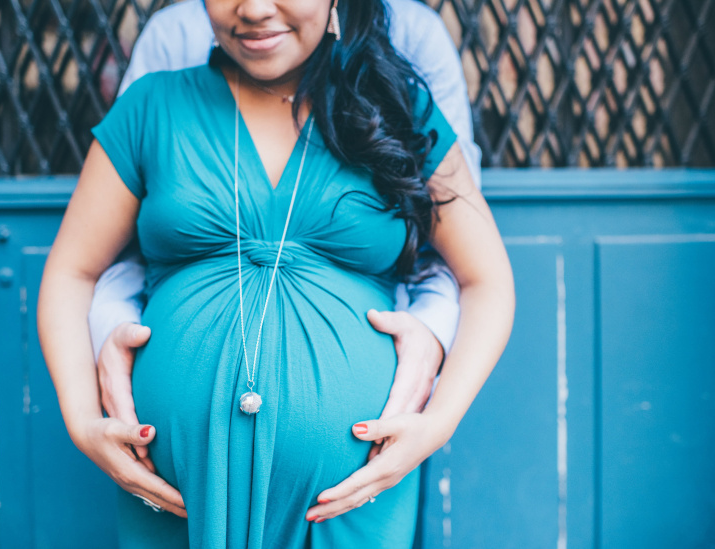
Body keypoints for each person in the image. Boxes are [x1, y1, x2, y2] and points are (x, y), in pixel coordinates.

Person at [38, 1, 514, 548]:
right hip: (169, 493)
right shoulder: (152, 106)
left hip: (351, 500)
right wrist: (81, 420)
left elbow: (487, 280)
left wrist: (439, 422)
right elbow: (72, 271)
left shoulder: (398, 108)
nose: (255, 9)